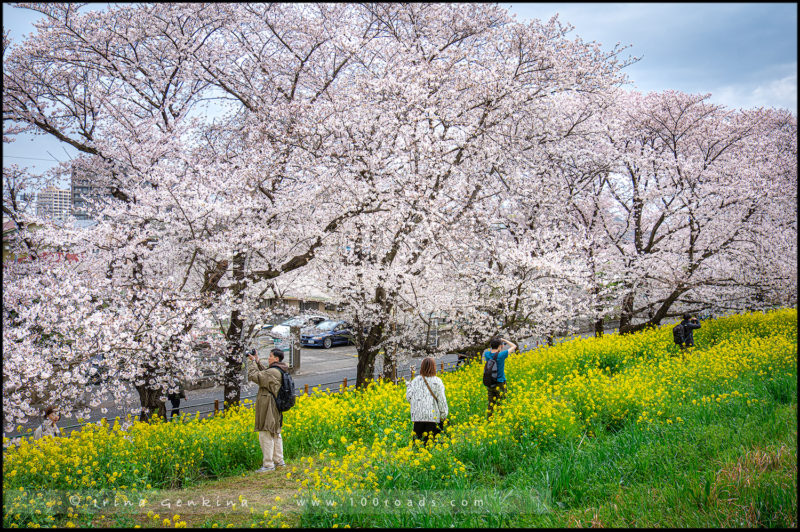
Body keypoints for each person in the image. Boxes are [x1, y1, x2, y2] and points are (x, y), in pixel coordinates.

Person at [247, 348, 288, 472]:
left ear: (276, 358)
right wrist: (258, 362)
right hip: (275, 405)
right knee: (275, 432)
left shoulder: (273, 372)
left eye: (270, 356)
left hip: (269, 405)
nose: (268, 358)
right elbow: (266, 373)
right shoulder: (279, 369)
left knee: (266, 432)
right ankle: (279, 460)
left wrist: (253, 362)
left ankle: (268, 464)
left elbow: (254, 376)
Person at [405, 357, 449, 445]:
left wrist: (417, 402)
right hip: (433, 417)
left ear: (421, 367)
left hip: (418, 417)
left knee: (418, 444)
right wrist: (443, 415)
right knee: (430, 445)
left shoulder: (415, 381)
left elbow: (409, 397)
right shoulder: (437, 381)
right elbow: (442, 400)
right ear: (434, 367)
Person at [483, 336, 517, 419]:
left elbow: (491, 349)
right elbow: (514, 346)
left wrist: (496, 343)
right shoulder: (501, 355)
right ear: (500, 346)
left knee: (491, 403)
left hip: (490, 383)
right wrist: (504, 340)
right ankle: (501, 419)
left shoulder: (487, 354)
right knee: (501, 402)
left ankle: (489, 420)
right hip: (500, 382)